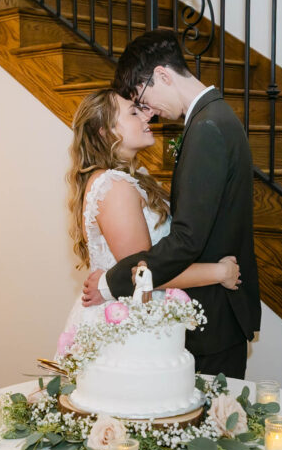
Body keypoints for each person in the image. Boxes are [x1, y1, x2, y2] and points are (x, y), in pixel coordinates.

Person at [81, 29, 260, 379]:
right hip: (207, 312)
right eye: (136, 109)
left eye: (142, 100)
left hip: (213, 317)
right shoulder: (215, 117)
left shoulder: (206, 128)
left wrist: (110, 283)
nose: (149, 112)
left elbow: (187, 240)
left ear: (162, 75)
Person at [61, 88, 241, 338]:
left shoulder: (132, 179)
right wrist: (219, 273)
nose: (146, 117)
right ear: (106, 131)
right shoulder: (114, 187)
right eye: (133, 113)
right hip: (125, 326)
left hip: (145, 316)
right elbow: (142, 274)